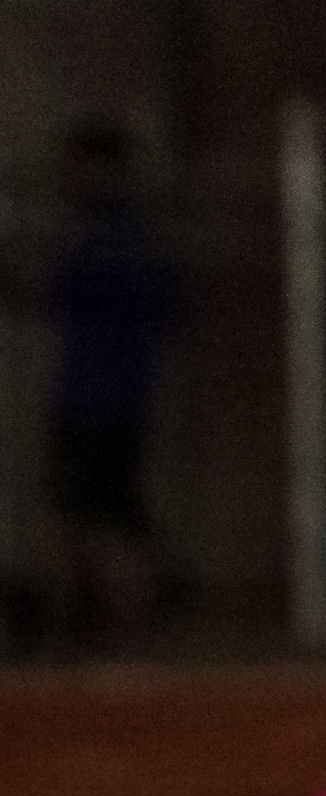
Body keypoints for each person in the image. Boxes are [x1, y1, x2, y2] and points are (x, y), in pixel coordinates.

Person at [41, 122, 177, 646]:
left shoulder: (113, 236)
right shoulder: (117, 233)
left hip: (98, 400)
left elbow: (57, 291)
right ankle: (93, 627)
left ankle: (130, 628)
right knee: (91, 514)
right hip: (103, 399)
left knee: (101, 517)